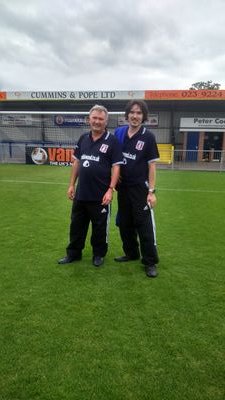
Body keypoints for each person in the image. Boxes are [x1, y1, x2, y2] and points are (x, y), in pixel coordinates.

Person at [58, 104, 123, 267]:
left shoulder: (112, 141)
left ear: (106, 121)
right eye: (94, 118)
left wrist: (110, 189)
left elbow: (116, 166)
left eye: (101, 119)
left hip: (100, 196)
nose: (97, 121)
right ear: (89, 119)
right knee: (76, 226)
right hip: (81, 193)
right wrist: (71, 185)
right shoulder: (83, 138)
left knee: (100, 228)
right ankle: (73, 253)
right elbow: (77, 162)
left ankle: (98, 254)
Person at [114, 100, 160, 278]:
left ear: (144, 116)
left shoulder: (148, 137)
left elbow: (152, 166)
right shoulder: (118, 133)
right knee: (124, 223)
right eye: (132, 112)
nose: (135, 116)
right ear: (127, 115)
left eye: (139, 113)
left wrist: (151, 191)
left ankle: (150, 261)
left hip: (140, 189)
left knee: (144, 226)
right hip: (123, 187)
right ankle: (131, 253)